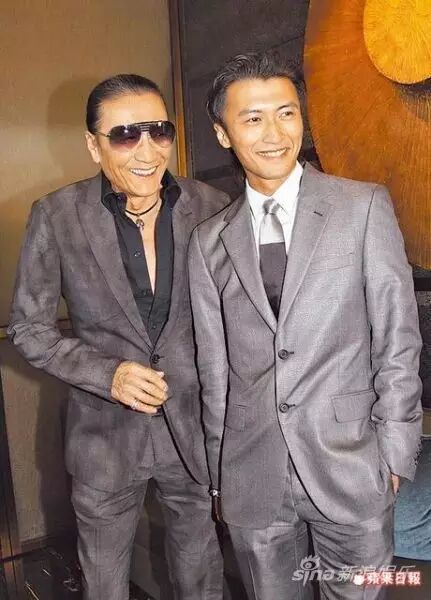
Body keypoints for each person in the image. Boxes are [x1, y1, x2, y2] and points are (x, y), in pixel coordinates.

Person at [188, 52, 423, 600]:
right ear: (223, 134)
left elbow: (398, 340)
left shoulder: (362, 207)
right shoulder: (208, 241)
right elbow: (214, 374)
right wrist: (221, 476)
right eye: (252, 119)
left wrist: (395, 450)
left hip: (353, 466)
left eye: (287, 113)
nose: (274, 134)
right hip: (252, 477)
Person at [8, 74, 230, 600]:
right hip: (102, 440)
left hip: (193, 432)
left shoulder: (214, 206)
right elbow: (29, 328)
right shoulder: (56, 215)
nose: (148, 151)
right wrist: (107, 375)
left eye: (159, 131)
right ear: (94, 144)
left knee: (201, 575)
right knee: (104, 582)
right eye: (126, 135)